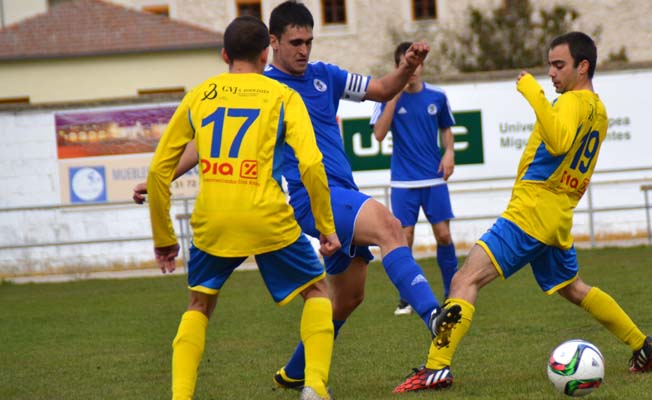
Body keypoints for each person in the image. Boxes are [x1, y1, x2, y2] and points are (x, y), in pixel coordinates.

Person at [133, 0, 461, 392]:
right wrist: (166, 172)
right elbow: (206, 145)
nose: (304, 50)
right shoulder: (267, 87)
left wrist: (407, 64)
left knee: (347, 297)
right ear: (271, 44)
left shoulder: (325, 76)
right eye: (295, 43)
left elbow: (382, 89)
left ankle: (293, 372)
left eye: (308, 41)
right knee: (390, 227)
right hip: (310, 197)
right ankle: (433, 316)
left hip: (338, 194)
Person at [393, 31, 652, 393]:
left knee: (464, 281)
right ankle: (641, 344)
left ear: (583, 67)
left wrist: (532, 92)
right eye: (549, 65)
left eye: (558, 65)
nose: (551, 73)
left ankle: (436, 367)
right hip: (556, 215)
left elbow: (558, 140)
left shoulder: (570, 102)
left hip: (531, 212)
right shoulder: (599, 110)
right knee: (574, 288)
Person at [147, 17, 341, 400]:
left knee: (199, 303)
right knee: (318, 291)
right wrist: (326, 227)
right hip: (266, 215)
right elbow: (312, 165)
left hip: (213, 219)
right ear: (266, 53)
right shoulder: (283, 96)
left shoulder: (200, 95)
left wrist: (164, 238)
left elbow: (157, 170)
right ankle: (315, 387)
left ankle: (180, 396)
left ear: (224, 55)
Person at [370, 41, 458, 316]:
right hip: (403, 181)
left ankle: (453, 293)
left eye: (417, 64)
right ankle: (406, 297)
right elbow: (379, 135)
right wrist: (393, 100)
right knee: (403, 237)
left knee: (443, 236)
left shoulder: (437, 96)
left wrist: (449, 153)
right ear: (399, 67)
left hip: (432, 178)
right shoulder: (387, 98)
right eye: (407, 64)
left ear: (422, 65)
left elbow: (446, 129)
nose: (413, 69)